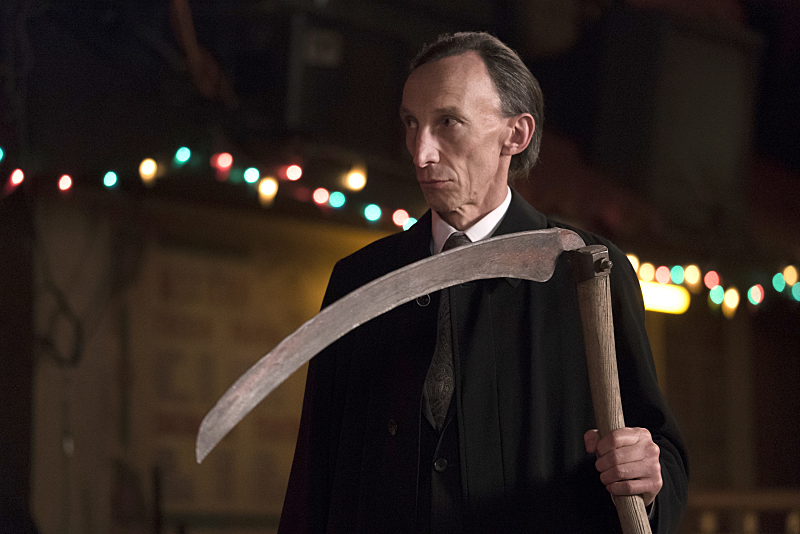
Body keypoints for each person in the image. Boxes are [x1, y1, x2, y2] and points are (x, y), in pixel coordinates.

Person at [278, 32, 688, 533]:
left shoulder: (584, 271)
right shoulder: (361, 280)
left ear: (515, 134)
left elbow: (660, 453)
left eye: (447, 122)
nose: (421, 153)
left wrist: (647, 477)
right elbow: (314, 475)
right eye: (411, 124)